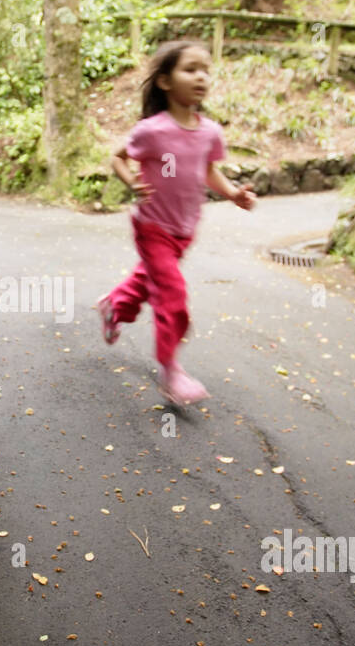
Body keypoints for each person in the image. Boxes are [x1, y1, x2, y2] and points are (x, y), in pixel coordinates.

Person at [95, 40, 256, 405]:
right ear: (165, 82)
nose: (200, 77)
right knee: (172, 294)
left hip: (184, 229)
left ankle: (115, 306)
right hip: (152, 227)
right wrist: (131, 181)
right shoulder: (152, 130)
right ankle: (171, 371)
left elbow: (208, 171)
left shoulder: (210, 132)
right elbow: (118, 158)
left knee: (148, 279)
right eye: (190, 69)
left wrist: (232, 194)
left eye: (205, 70)